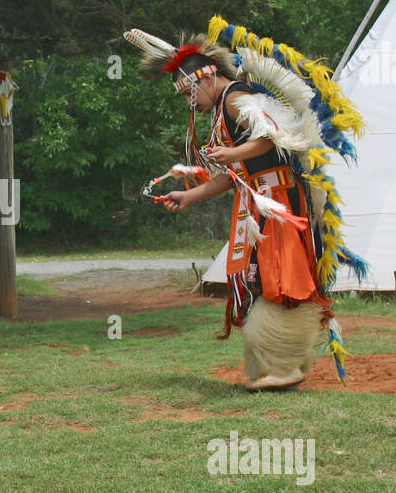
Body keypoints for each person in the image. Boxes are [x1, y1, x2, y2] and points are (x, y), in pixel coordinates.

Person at [124, 20, 366, 390]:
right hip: (257, 202)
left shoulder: (236, 99)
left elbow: (275, 137)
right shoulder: (222, 109)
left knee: (278, 276)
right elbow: (231, 175)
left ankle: (283, 364)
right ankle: (280, 362)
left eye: (188, 93)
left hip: (278, 199)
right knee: (259, 278)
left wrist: (234, 152)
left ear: (206, 77)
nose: (189, 103)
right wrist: (189, 196)